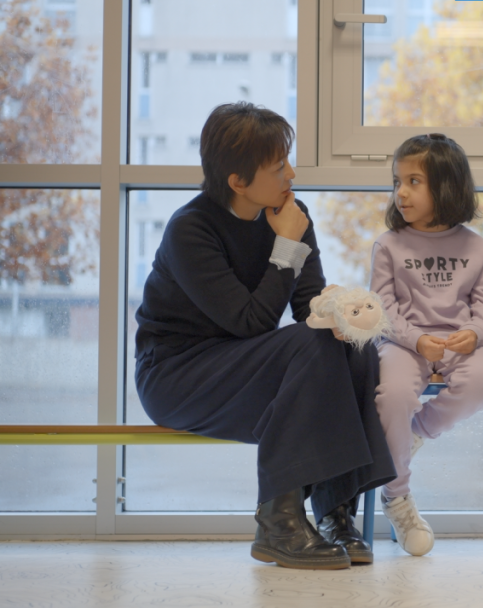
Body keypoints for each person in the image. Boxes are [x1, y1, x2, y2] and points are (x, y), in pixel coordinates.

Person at [134, 102, 395, 570]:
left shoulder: (292, 215)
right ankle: (279, 521)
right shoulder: (191, 229)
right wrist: (288, 245)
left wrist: (339, 311)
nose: (290, 174)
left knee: (353, 347)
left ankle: (334, 512)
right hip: (177, 375)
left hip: (243, 365)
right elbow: (251, 322)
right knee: (314, 344)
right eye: (278, 167)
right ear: (237, 181)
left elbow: (307, 307)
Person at [370, 133, 483, 557]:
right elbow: (381, 309)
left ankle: (414, 434)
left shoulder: (476, 247)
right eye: (397, 182)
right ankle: (397, 497)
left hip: (459, 342)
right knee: (392, 395)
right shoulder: (388, 245)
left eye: (414, 181)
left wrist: (474, 334)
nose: (401, 192)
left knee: (481, 383)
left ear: (446, 186)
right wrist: (416, 339)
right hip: (403, 342)